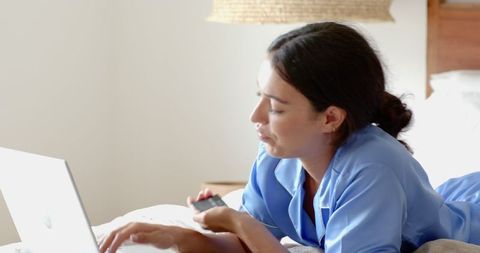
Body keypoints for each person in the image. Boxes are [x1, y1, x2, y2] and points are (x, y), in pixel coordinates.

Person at [99, 22, 480, 253]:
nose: (256, 118)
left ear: (330, 117)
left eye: (277, 108)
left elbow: (251, 234)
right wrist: (177, 238)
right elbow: (250, 246)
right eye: (259, 99)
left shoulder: (373, 168)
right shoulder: (277, 158)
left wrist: (240, 222)